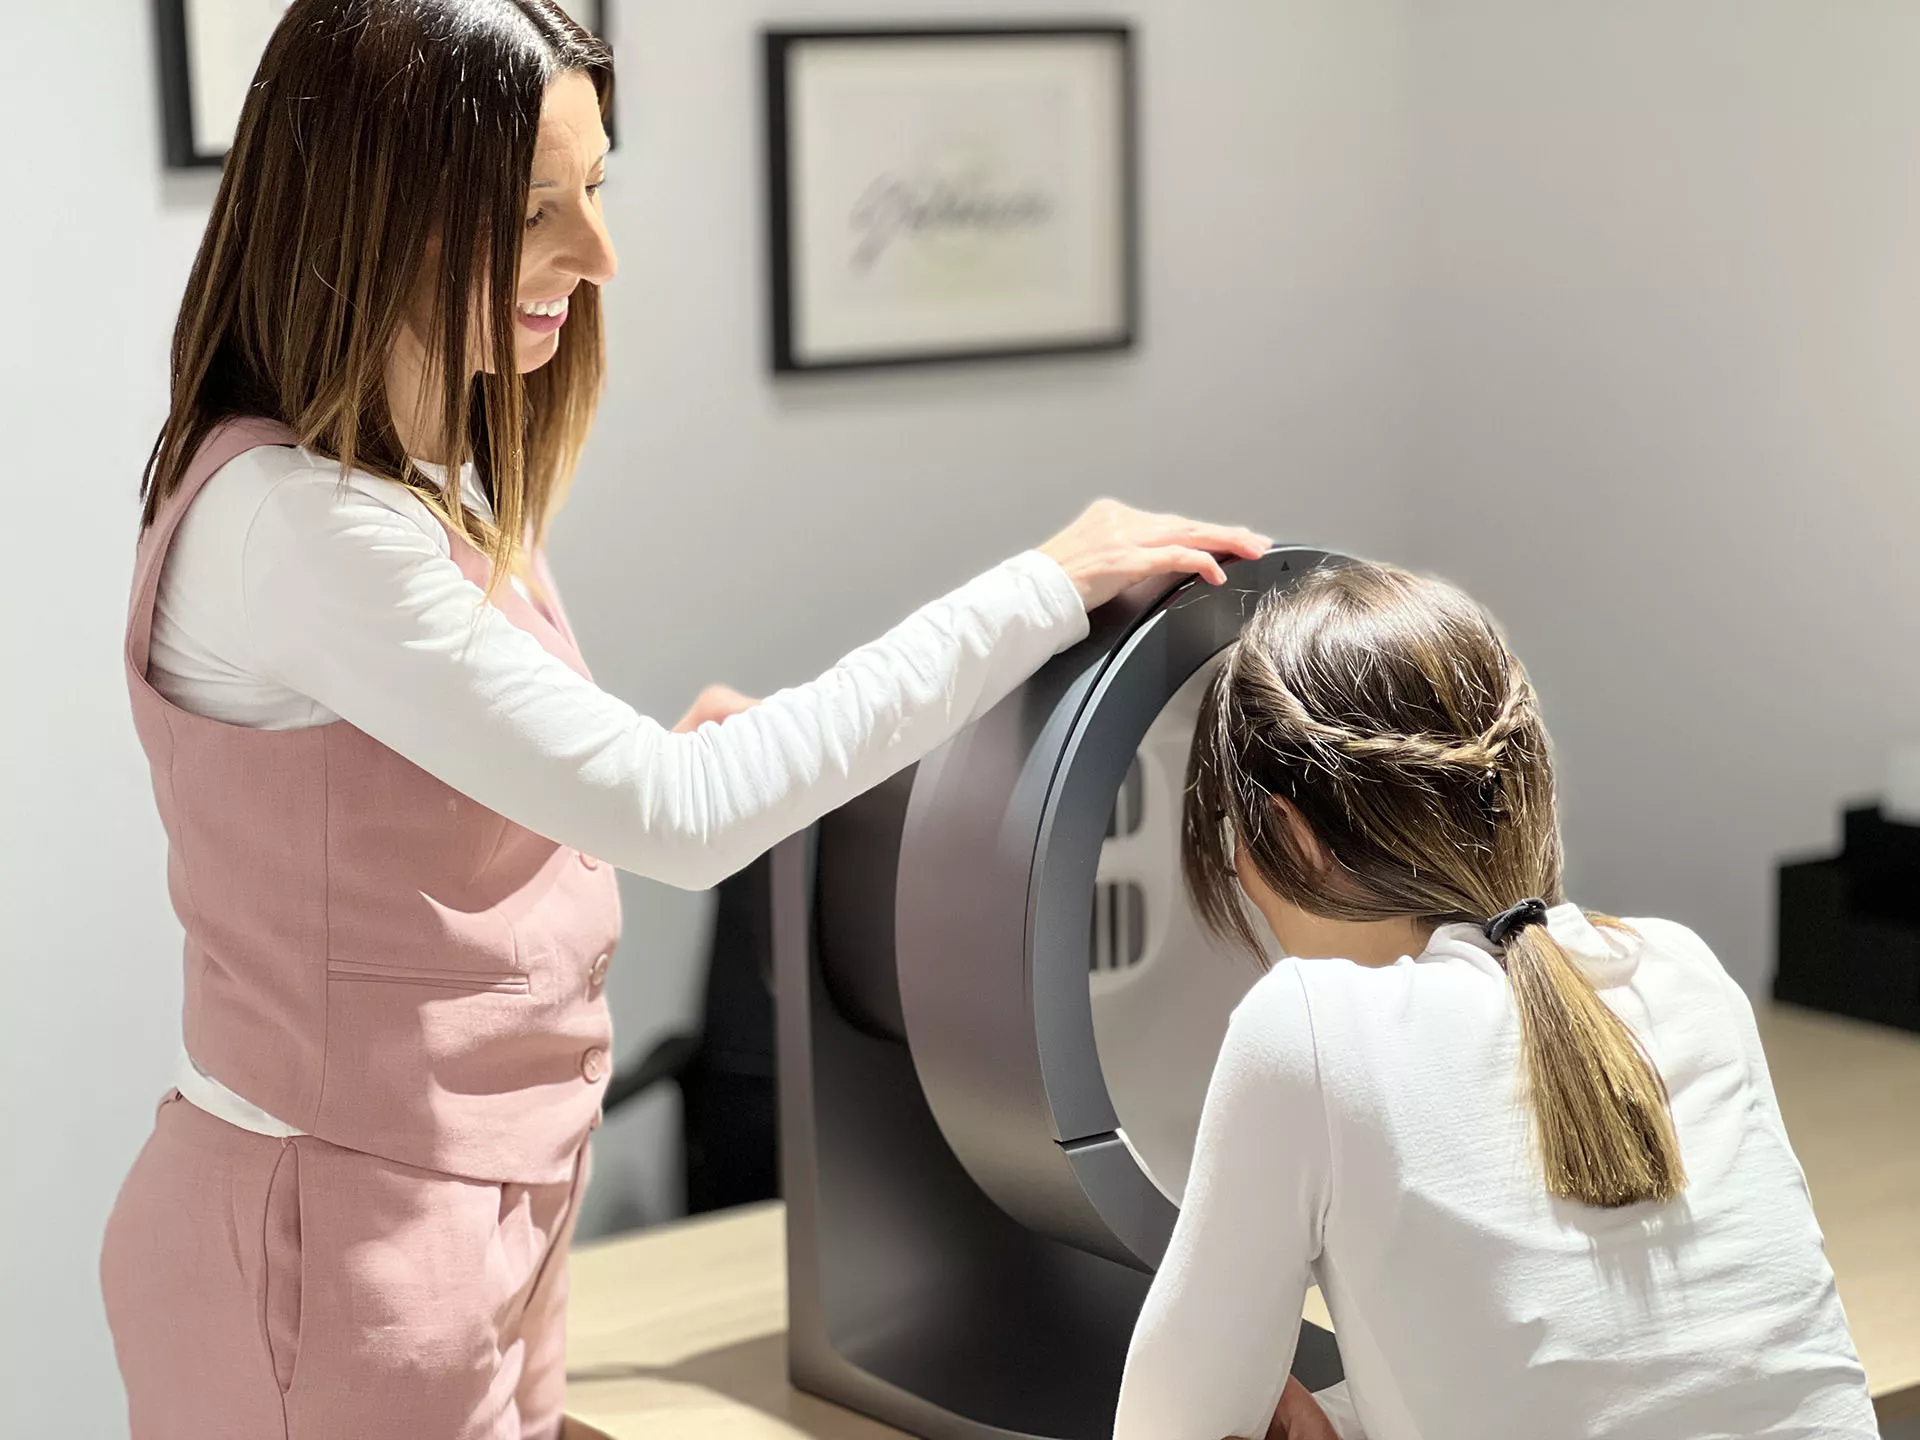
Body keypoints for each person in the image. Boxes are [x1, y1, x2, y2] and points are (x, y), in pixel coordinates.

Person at [98, 5, 1270, 1437]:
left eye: (597, 191)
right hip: (336, 1251)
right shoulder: (298, 529)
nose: (597, 258)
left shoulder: (417, 485)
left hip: (476, 1216)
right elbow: (672, 820)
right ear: (374, 210)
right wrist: (1035, 592)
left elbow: (467, 801)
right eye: (535, 211)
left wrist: (688, 759)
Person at [1112, 561, 1877, 1440]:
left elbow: (1165, 1431)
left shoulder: (1309, 1028)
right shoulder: (1682, 968)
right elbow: (1634, 1366)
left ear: (1291, 836)